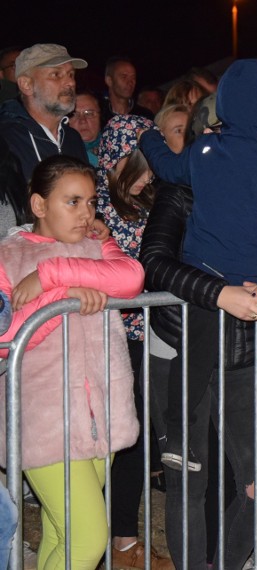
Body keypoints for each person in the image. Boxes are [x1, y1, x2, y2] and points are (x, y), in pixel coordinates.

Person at [140, 59, 257, 473]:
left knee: (194, 357)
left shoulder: (202, 150)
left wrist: (150, 138)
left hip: (206, 272)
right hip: (252, 272)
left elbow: (168, 168)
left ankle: (179, 438)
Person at [0, 155, 144, 569]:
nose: (86, 214)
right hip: (44, 423)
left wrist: (53, 274)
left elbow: (132, 277)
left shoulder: (94, 248)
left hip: (102, 419)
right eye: (73, 202)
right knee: (87, 538)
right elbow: (7, 337)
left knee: (61, 534)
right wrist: (63, 298)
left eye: (92, 203)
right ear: (39, 205)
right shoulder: (8, 256)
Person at [95, 115, 175, 568]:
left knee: (136, 439)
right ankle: (114, 537)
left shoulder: (148, 203)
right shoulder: (98, 210)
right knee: (119, 440)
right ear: (121, 160)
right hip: (114, 339)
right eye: (143, 164)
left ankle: (122, 535)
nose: (150, 174)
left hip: (150, 335)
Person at [0, 43, 89, 182]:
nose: (70, 82)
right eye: (56, 74)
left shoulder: (73, 138)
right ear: (26, 85)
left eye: (71, 74)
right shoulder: (6, 140)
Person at [68, 91, 104, 167]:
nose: (82, 120)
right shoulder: (63, 154)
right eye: (74, 114)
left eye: (89, 113)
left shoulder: (116, 147)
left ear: (100, 117)